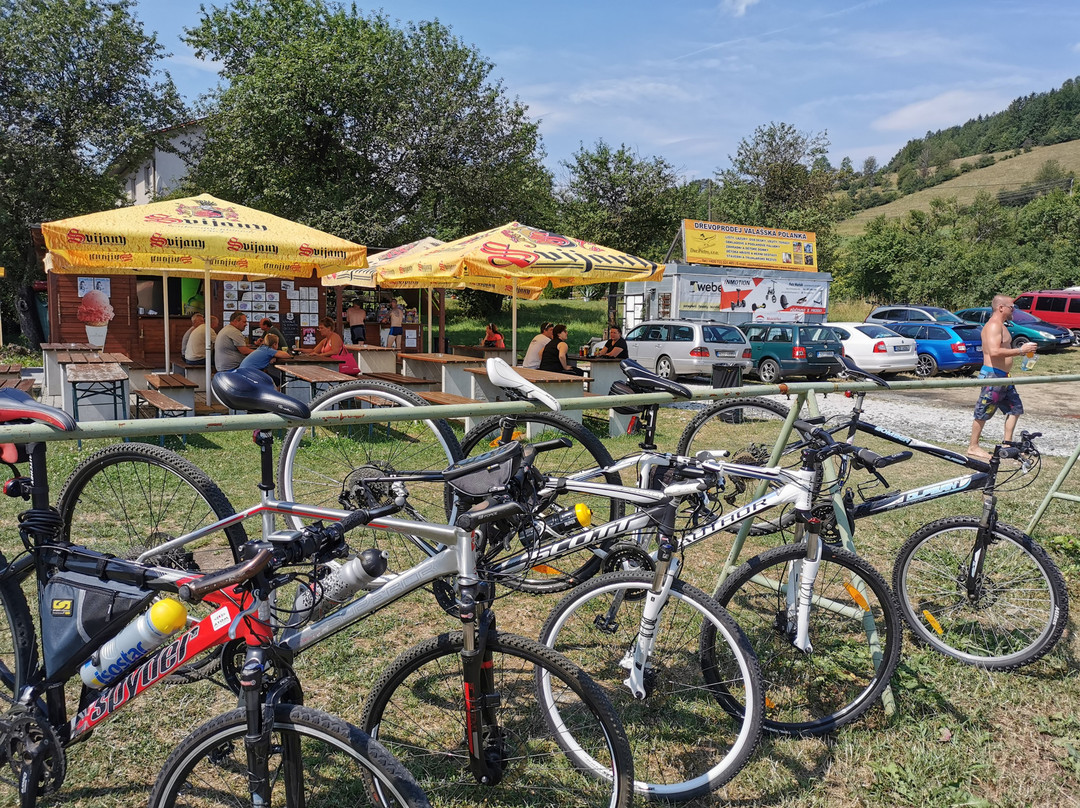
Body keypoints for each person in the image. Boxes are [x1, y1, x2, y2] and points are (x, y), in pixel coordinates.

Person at [967, 295, 1038, 460]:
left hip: (1004, 376)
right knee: (983, 411)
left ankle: (1007, 444)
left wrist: (1024, 352)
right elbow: (994, 352)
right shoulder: (993, 326)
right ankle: (973, 446)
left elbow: (1004, 349)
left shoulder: (1002, 326)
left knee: (1015, 409)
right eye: (1011, 307)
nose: (1014, 310)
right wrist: (1020, 351)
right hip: (993, 375)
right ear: (1001, 308)